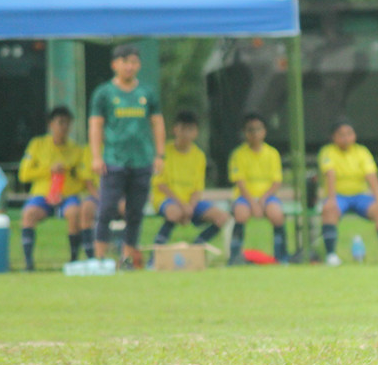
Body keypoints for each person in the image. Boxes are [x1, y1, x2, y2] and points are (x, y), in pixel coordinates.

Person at [88, 44, 165, 269]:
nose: (130, 66)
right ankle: (99, 260)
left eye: (133, 62)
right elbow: (95, 125)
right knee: (107, 209)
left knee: (135, 212)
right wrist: (96, 156)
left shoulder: (147, 93)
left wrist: (159, 154)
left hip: (142, 160)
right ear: (115, 65)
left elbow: (157, 123)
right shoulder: (104, 93)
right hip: (113, 160)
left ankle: (127, 260)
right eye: (125, 62)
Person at [318, 120, 378, 266]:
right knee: (329, 209)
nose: (346, 138)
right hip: (338, 195)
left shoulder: (361, 151)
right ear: (333, 137)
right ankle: (331, 255)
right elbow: (330, 174)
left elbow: (371, 175)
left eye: (349, 134)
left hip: (360, 196)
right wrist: (330, 199)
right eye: (341, 135)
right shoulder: (328, 152)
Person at [18, 106, 86, 270]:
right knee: (28, 214)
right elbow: (24, 174)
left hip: (67, 196)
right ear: (51, 125)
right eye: (60, 123)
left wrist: (70, 176)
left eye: (68, 124)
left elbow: (83, 179)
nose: (64, 128)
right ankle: (28, 264)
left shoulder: (77, 150)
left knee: (74, 212)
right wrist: (49, 170)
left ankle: (73, 260)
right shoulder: (37, 145)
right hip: (43, 195)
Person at [150, 111, 229, 250]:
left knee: (222, 217)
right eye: (183, 129)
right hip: (166, 199)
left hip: (190, 203)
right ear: (175, 130)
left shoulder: (199, 156)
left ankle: (195, 248)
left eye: (190, 130)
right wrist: (183, 206)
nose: (186, 134)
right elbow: (160, 184)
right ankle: (156, 254)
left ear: (196, 132)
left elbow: (198, 188)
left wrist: (190, 207)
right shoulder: (163, 153)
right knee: (174, 213)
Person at [227, 113, 288, 264]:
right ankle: (235, 256)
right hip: (245, 197)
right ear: (245, 133)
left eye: (258, 129)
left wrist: (263, 199)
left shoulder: (272, 153)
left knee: (277, 214)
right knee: (241, 214)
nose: (254, 133)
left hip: (266, 197)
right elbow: (239, 182)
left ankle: (281, 256)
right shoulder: (238, 154)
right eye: (250, 130)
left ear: (265, 131)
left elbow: (276, 182)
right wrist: (253, 203)